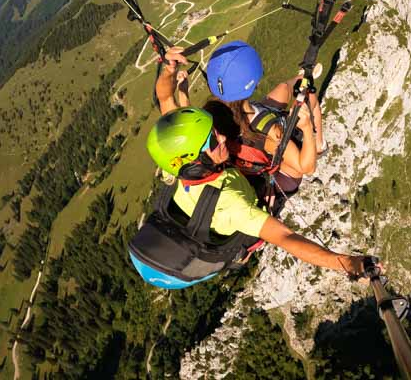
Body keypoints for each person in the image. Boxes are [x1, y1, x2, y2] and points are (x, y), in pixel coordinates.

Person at [141, 47, 374, 281]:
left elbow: (164, 98)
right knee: (300, 100)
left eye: (213, 132)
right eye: (213, 140)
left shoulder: (182, 158)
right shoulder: (232, 205)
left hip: (245, 156)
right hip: (274, 179)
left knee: (285, 89)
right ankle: (317, 135)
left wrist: (168, 70)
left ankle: (300, 81)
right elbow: (286, 237)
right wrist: (346, 263)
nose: (220, 137)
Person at [204, 40, 325, 198]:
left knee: (284, 88)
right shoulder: (270, 133)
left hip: (250, 139)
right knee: (310, 98)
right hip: (283, 175)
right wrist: (307, 127)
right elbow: (306, 168)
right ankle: (319, 144)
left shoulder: (212, 114)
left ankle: (303, 77)